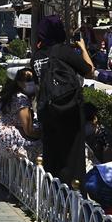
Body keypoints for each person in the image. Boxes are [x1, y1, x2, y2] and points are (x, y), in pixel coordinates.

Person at [32, 15, 93, 187]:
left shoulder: (36, 57)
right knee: (73, 156)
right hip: (69, 110)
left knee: (52, 155)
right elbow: (89, 71)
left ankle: (53, 198)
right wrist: (83, 48)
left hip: (47, 111)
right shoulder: (62, 51)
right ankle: (73, 200)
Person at [0, 67, 40, 161]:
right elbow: (29, 131)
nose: (31, 82)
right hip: (8, 142)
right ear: (19, 82)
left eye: (33, 79)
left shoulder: (9, 95)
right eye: (28, 80)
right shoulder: (21, 99)